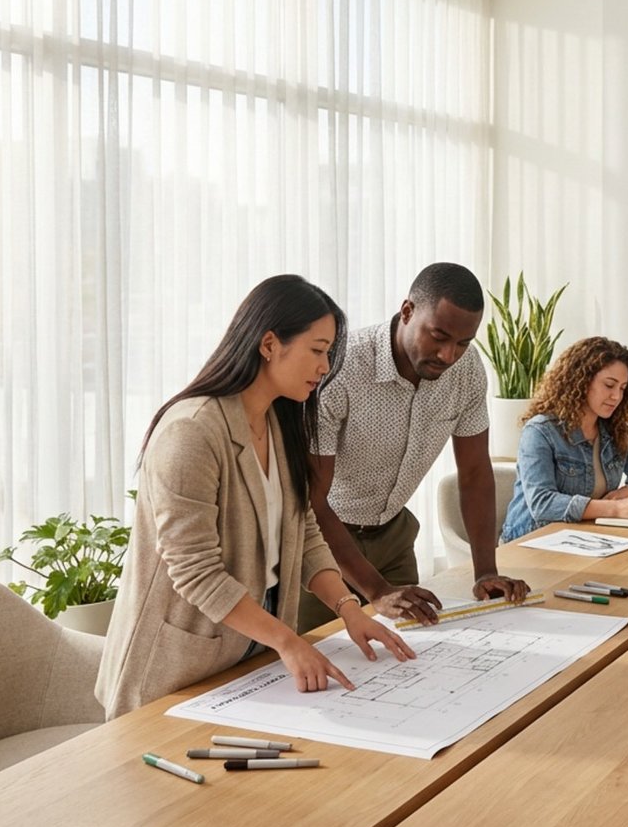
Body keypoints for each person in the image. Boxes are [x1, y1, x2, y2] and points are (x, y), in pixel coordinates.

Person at [97, 275, 414, 720]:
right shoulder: (191, 432)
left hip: (248, 652)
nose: (325, 368)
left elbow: (303, 531)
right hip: (174, 670)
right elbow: (196, 572)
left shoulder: (278, 423)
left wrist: (350, 609)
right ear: (269, 344)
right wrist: (289, 640)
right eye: (318, 350)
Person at [301, 263, 530, 629]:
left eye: (462, 342)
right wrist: (376, 590)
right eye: (438, 336)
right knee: (318, 662)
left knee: (410, 656)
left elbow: (474, 473)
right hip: (323, 544)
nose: (448, 355)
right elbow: (313, 499)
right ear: (407, 311)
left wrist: (485, 572)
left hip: (394, 537)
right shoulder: (341, 367)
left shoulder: (467, 370)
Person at [499, 336, 628, 542]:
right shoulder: (540, 431)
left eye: (622, 388)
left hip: (587, 537)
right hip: (531, 541)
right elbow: (543, 503)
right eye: (609, 385)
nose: (616, 397)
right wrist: (614, 508)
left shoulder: (614, 431)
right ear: (582, 381)